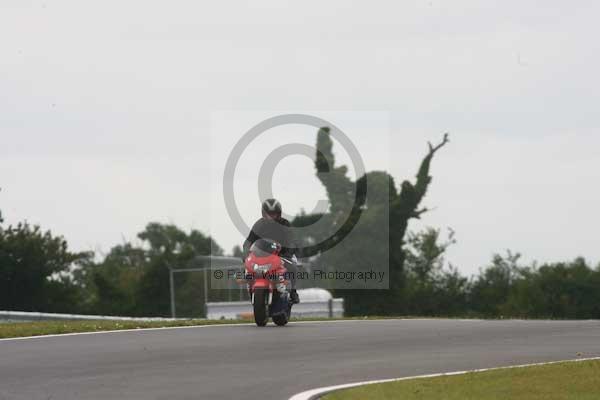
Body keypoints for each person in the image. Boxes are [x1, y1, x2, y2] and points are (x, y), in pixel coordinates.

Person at [243, 198, 300, 304]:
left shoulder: (285, 223)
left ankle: (293, 291)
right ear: (263, 213)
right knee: (247, 269)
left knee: (293, 266)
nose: (271, 216)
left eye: (274, 214)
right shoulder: (259, 225)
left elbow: (292, 240)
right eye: (269, 214)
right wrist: (246, 253)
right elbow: (249, 241)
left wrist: (289, 250)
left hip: (282, 253)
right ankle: (250, 287)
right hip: (262, 255)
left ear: (279, 213)